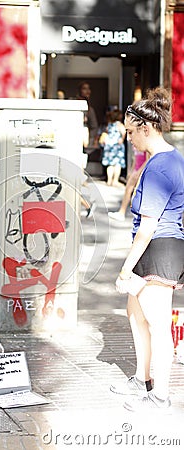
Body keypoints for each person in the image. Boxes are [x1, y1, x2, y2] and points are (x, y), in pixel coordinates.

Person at [111, 87, 184, 413]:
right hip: (159, 248)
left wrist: (126, 268)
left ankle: (160, 396)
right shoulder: (170, 158)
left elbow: (148, 226)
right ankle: (142, 379)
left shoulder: (159, 166)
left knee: (156, 323)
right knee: (136, 313)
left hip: (159, 248)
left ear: (146, 127)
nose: (128, 138)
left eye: (130, 131)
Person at [108, 147, 147, 222]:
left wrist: (139, 172)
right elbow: (135, 159)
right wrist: (131, 170)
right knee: (128, 189)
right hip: (136, 170)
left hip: (141, 171)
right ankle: (122, 212)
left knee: (136, 192)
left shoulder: (144, 144)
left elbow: (147, 159)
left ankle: (123, 212)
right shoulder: (136, 144)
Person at [101, 109, 126, 186]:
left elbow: (106, 132)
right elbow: (124, 132)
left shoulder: (109, 124)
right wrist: (122, 139)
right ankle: (115, 180)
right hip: (117, 146)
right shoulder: (119, 125)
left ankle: (109, 180)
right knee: (117, 164)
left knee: (110, 164)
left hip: (109, 145)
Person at [76, 81, 99, 148]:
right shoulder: (73, 104)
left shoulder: (90, 109)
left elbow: (94, 126)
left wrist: (90, 140)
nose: (87, 91)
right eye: (84, 89)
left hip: (84, 141)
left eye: (88, 89)